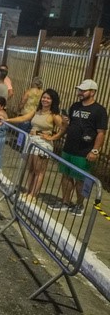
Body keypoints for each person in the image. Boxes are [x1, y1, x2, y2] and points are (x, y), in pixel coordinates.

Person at [49, 79, 107, 216]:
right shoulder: (75, 106)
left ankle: (79, 205)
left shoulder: (99, 111)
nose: (80, 93)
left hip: (84, 151)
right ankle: (65, 202)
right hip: (69, 147)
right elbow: (70, 125)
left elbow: (101, 133)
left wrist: (95, 150)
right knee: (66, 175)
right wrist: (65, 123)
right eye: (79, 90)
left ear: (92, 92)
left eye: (83, 90)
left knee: (80, 179)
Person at [6, 89, 64, 199]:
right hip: (31, 140)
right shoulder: (37, 111)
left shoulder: (54, 115)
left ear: (53, 100)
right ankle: (28, 191)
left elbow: (63, 128)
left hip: (43, 143)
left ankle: (33, 194)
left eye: (48, 98)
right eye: (44, 97)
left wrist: (52, 137)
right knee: (31, 169)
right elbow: (23, 118)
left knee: (39, 170)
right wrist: (7, 119)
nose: (45, 100)